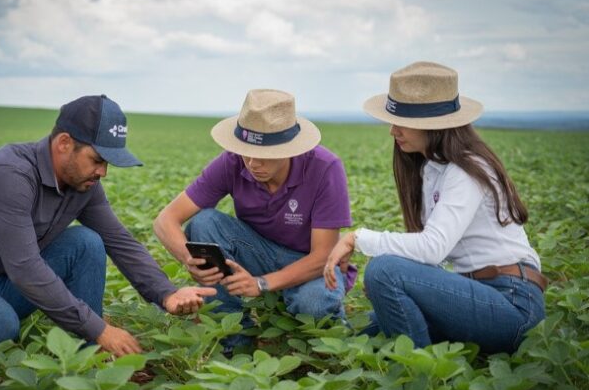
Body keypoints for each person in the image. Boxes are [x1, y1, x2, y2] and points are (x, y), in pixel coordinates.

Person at [0, 94, 215, 390]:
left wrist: (166, 294)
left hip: (6, 285)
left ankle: (82, 365)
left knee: (86, 242)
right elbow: (26, 269)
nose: (103, 172)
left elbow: (119, 241)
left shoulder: (84, 184)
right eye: (97, 159)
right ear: (64, 143)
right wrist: (100, 328)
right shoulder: (10, 175)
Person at [324, 61, 547, 354]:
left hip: (513, 303)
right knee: (372, 327)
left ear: (433, 124)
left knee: (384, 270)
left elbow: (433, 248)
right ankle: (416, 357)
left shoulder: (466, 170)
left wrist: (358, 238)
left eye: (402, 121)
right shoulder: (433, 169)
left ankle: (419, 373)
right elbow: (432, 260)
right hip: (479, 293)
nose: (392, 130)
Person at [154, 89, 356, 353]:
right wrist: (189, 260)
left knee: (316, 304)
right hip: (257, 251)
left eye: (263, 154)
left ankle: (336, 350)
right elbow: (165, 220)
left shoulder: (324, 167)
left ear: (289, 148)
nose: (251, 162)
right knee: (204, 223)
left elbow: (323, 257)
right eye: (245, 152)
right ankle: (235, 341)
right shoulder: (233, 161)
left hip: (310, 263)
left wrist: (262, 284)